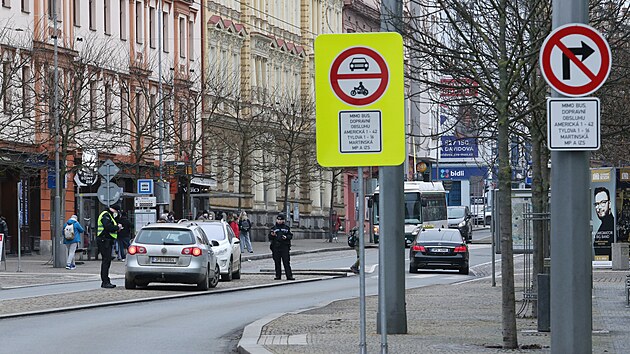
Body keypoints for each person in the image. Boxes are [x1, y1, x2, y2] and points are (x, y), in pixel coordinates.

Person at [97, 204, 122, 288]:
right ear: (114, 210)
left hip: (106, 240)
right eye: (116, 212)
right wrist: (117, 227)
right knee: (106, 261)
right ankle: (105, 281)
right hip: (104, 240)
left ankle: (106, 280)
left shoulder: (109, 215)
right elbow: (108, 227)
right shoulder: (105, 215)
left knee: (107, 261)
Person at [268, 213, 294, 280]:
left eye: (281, 220)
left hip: (284, 247)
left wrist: (286, 237)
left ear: (283, 221)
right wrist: (272, 235)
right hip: (276, 247)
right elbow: (269, 237)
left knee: (286, 262)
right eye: (278, 220)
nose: (279, 221)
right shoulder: (273, 228)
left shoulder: (286, 228)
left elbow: (290, 235)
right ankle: (278, 275)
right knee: (277, 262)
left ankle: (289, 276)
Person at [594, 186, 615, 259]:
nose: (598, 208)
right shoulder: (604, 225)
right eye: (596, 204)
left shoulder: (613, 225)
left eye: (602, 202)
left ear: (609, 204)